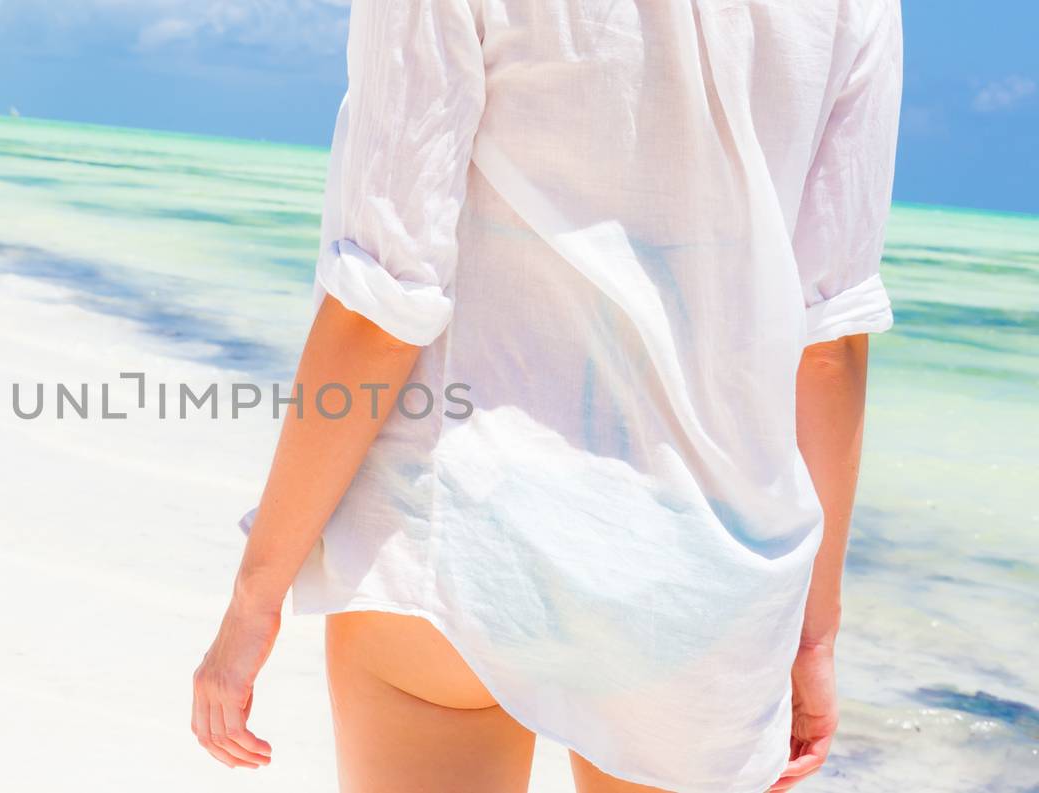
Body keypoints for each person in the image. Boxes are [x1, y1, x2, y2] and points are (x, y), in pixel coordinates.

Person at [190, 1, 903, 791]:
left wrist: (256, 596)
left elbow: (384, 304)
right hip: (698, 574)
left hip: (458, 534)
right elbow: (830, 342)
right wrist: (813, 640)